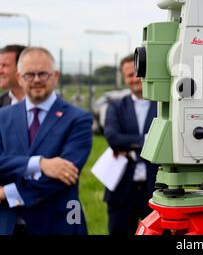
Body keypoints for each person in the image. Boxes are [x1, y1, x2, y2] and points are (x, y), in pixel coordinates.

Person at [0, 47, 92, 235]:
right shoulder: (3, 116)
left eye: (43, 74)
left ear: (55, 76)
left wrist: (7, 193)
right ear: (19, 78)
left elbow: (65, 176)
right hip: (8, 224)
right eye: (29, 74)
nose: (36, 80)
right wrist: (40, 164)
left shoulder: (78, 119)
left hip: (57, 223)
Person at [103, 54, 158, 235]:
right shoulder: (116, 106)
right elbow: (113, 138)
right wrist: (149, 140)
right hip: (122, 189)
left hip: (156, 189)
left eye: (137, 73)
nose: (134, 79)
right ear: (124, 78)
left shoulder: (163, 104)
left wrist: (130, 145)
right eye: (129, 75)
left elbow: (171, 139)